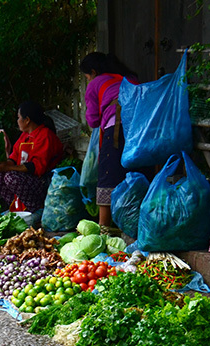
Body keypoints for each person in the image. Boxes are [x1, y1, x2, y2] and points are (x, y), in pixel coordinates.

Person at [80, 52, 138, 226]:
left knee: (108, 175)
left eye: (87, 76)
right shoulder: (130, 79)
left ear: (93, 71)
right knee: (135, 175)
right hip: (139, 132)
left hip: (116, 129)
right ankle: (134, 224)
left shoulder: (96, 83)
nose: (88, 80)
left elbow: (93, 120)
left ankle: (104, 227)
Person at [0, 101, 64, 213]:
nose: (17, 121)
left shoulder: (45, 135)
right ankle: (16, 207)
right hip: (26, 180)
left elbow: (36, 167)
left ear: (27, 120)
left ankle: (36, 209)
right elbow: (13, 159)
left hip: (43, 182)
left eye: (18, 118)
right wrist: (0, 165)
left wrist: (7, 168)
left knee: (10, 177)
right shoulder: (24, 136)